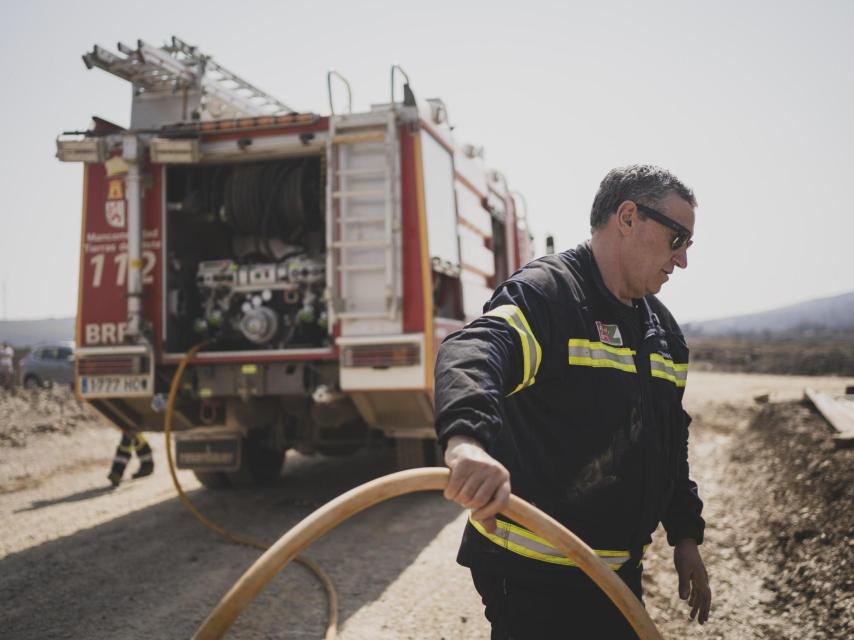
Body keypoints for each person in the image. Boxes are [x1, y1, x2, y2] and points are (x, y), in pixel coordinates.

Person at [434, 165, 711, 639]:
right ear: (628, 217)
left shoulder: (663, 333)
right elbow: (474, 351)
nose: (682, 259)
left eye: (689, 244)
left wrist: (685, 535)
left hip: (616, 576)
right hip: (530, 577)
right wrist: (467, 444)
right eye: (676, 238)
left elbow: (669, 438)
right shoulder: (550, 297)